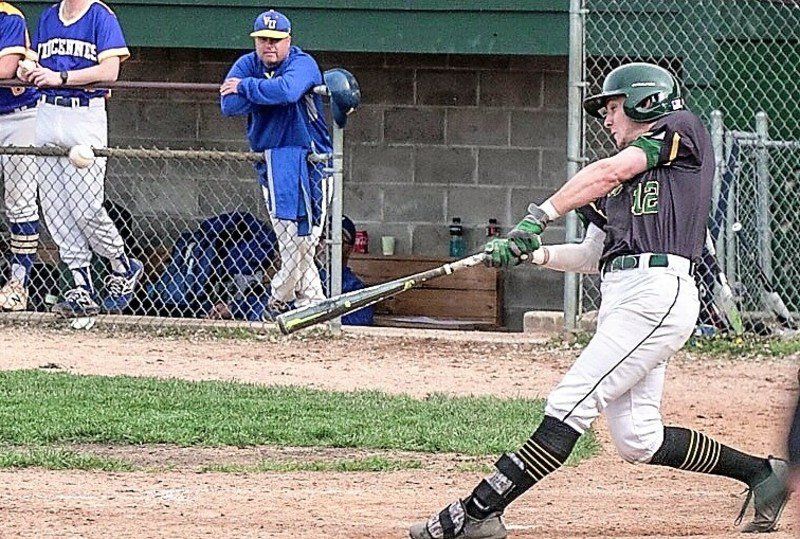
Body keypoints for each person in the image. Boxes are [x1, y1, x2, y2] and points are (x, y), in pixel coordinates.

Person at [410, 63, 791, 539]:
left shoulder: (681, 132)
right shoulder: (616, 185)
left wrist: (538, 218)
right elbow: (592, 255)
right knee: (638, 439)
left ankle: (478, 512)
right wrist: (537, 253)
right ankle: (762, 474)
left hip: (658, 293)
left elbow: (609, 170)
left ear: (644, 101)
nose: (607, 119)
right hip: (624, 295)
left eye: (612, 107)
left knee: (570, 403)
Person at [19, 0, 142, 317]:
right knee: (55, 206)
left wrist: (60, 77)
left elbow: (109, 72)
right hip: (47, 111)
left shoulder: (101, 16)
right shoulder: (49, 16)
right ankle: (80, 286)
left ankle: (121, 264)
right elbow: (30, 62)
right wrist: (26, 70)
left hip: (83, 114)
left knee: (86, 205)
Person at [220, 9, 333, 319]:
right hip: (272, 164)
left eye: (275, 40)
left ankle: (278, 298)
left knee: (305, 240)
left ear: (288, 41)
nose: (268, 45)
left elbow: (288, 91)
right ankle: (311, 308)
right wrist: (266, 93)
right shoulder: (247, 64)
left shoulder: (302, 62)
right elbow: (228, 105)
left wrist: (247, 88)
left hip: (312, 162)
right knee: (290, 242)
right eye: (262, 40)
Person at [208, 215, 374, 326]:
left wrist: (308, 318)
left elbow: (361, 318)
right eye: (323, 237)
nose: (327, 244)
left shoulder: (352, 285)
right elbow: (264, 299)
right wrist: (234, 307)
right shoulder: (298, 270)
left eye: (337, 239)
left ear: (349, 248)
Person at [0, 2, 40, 311]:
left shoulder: (8, 15)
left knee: (20, 200)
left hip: (19, 118)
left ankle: (18, 283)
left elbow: (5, 68)